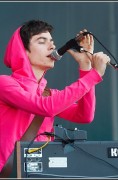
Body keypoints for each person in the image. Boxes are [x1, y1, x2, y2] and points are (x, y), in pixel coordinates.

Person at [0, 20, 110, 177]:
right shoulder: (4, 84)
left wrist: (85, 66)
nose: (52, 47)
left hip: (41, 173)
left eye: (52, 42)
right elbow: (46, 107)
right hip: (9, 174)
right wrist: (95, 75)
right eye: (42, 42)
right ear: (23, 51)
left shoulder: (48, 95)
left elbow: (84, 115)